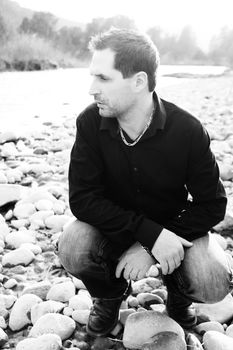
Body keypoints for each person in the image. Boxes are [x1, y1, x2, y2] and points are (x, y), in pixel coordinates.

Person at [58, 28, 232, 337]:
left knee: (212, 279)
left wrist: (154, 245)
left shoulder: (188, 131)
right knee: (72, 244)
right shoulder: (90, 122)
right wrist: (146, 234)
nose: (91, 89)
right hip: (113, 229)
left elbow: (213, 205)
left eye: (103, 78)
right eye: (92, 77)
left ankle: (179, 299)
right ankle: (110, 297)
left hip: (174, 231)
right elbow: (83, 199)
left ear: (139, 81)